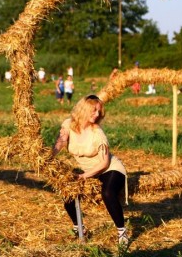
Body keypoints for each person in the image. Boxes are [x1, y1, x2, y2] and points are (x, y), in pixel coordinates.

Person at [52, 95, 129, 245]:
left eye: (99, 112)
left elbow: (104, 162)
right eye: (94, 111)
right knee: (69, 194)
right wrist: (47, 159)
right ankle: (79, 227)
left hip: (110, 169)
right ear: (84, 109)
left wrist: (84, 176)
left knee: (107, 193)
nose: (97, 114)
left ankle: (122, 232)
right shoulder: (68, 125)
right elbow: (60, 143)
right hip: (88, 170)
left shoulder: (97, 133)